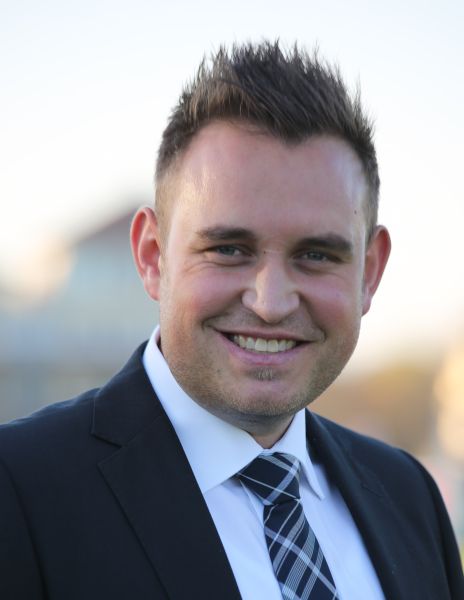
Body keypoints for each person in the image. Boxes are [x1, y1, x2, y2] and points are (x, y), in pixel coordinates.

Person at [0, 41, 462, 600]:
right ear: (152, 256)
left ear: (370, 272)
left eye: (316, 255)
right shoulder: (19, 491)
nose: (271, 303)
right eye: (228, 249)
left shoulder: (410, 498)